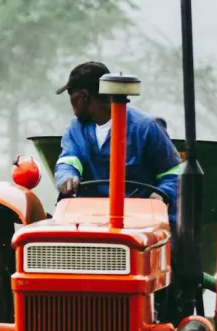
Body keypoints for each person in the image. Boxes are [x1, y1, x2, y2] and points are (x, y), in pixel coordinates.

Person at [53, 61, 182, 220]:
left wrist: (162, 194)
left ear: (84, 96)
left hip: (141, 219)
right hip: (88, 218)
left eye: (70, 93)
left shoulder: (146, 128)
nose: (70, 100)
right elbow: (68, 160)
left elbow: (174, 173)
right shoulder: (75, 129)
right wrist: (66, 176)